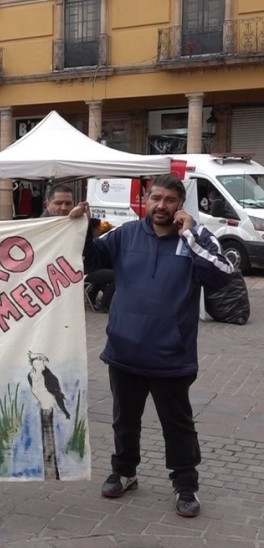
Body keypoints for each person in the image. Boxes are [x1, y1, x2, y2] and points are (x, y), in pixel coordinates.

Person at [71, 174, 234, 518]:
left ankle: (185, 484)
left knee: (177, 426)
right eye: (156, 198)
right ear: (147, 198)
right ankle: (125, 471)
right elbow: (90, 261)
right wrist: (83, 228)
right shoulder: (126, 234)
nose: (162, 206)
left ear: (180, 205)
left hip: (170, 356)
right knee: (124, 421)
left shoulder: (193, 240)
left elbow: (222, 275)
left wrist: (192, 232)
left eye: (170, 200)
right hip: (125, 350)